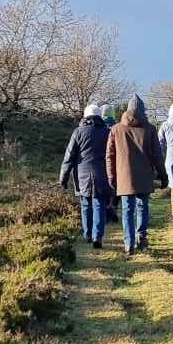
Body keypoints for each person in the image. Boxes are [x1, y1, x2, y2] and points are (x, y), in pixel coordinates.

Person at [106, 94, 167, 258]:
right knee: (142, 207)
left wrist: (111, 176)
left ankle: (128, 244)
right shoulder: (150, 129)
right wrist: (163, 175)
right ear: (142, 110)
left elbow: (109, 156)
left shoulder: (116, 129)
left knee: (127, 210)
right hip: (145, 177)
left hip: (124, 177)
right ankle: (142, 237)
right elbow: (157, 156)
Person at [59, 104, 112, 249]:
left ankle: (87, 234)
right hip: (102, 173)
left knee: (85, 204)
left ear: (85, 116)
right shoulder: (107, 132)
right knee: (99, 204)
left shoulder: (78, 132)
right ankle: (98, 236)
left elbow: (68, 157)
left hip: (82, 174)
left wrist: (63, 178)